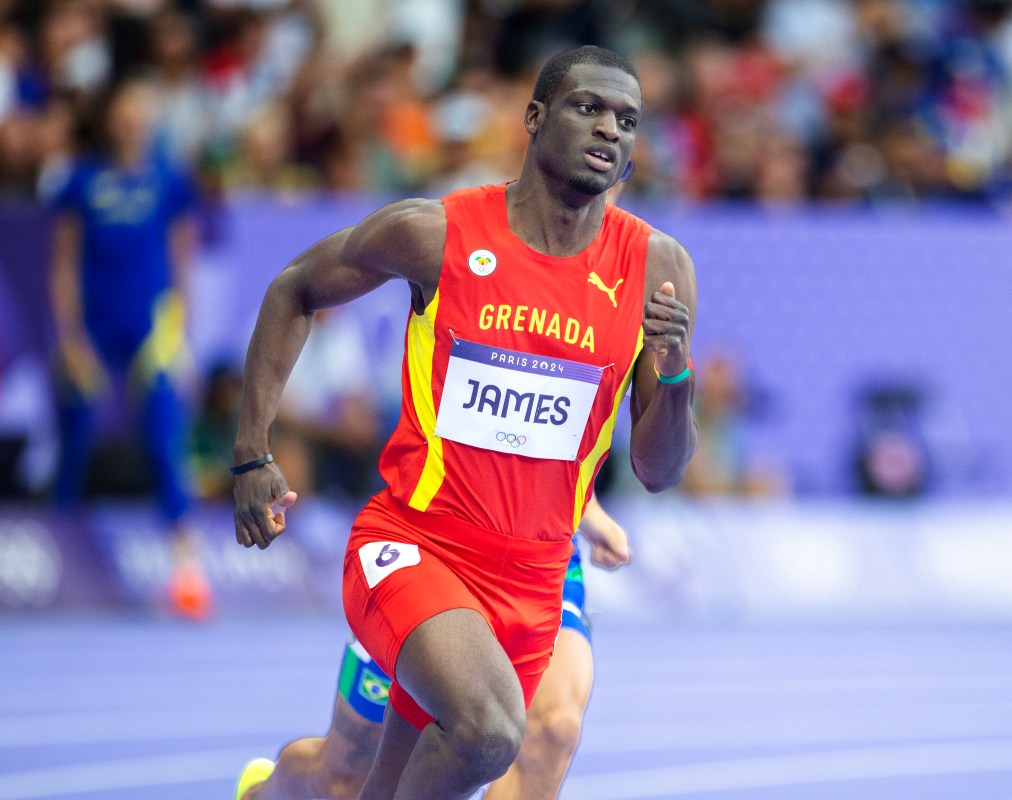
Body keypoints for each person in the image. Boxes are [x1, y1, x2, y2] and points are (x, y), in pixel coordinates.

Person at [232, 45, 697, 800]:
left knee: (377, 786)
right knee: (486, 733)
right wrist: (252, 456)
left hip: (535, 583)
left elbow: (660, 469)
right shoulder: (438, 234)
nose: (610, 128)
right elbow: (294, 289)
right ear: (535, 118)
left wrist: (674, 371)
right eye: (588, 108)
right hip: (414, 545)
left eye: (628, 120)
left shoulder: (656, 268)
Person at [234, 496, 630, 800]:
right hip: (433, 545)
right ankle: (261, 793)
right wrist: (254, 453)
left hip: (542, 555)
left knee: (553, 730)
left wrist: (587, 507)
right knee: (345, 781)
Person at [49, 77, 208, 618]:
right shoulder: (81, 180)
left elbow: (183, 261)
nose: (132, 120)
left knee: (166, 436)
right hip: (94, 327)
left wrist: (181, 335)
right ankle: (53, 558)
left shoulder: (170, 180)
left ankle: (186, 569)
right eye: (124, 110)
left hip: (153, 331)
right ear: (109, 117)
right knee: (77, 428)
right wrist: (70, 339)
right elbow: (64, 266)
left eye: (142, 111)